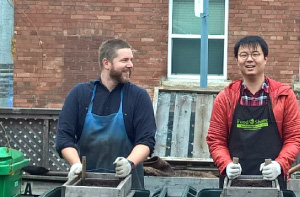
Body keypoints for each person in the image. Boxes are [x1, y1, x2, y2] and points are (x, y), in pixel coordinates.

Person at [55, 38, 156, 189]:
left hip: (128, 187)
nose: (130, 65)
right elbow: (64, 138)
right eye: (124, 60)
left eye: (131, 60)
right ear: (106, 63)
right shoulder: (79, 94)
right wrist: (75, 165)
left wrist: (129, 163)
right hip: (86, 186)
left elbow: (146, 140)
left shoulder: (138, 96)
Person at [206, 35, 300, 189]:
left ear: (265, 58)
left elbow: (294, 138)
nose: (249, 59)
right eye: (243, 55)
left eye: (255, 54)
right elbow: (216, 140)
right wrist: (226, 164)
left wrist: (279, 164)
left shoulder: (284, 96)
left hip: (273, 181)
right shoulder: (225, 98)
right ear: (237, 60)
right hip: (233, 182)